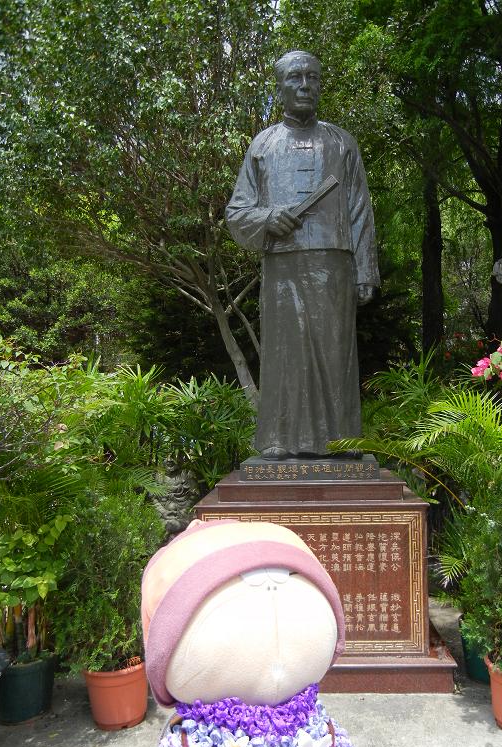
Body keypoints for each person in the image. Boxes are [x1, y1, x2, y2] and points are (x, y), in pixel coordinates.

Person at [226, 50, 379, 460]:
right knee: (285, 354)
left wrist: (365, 270)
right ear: (279, 89)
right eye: (295, 78)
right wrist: (267, 217)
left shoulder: (342, 142)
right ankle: (279, 439)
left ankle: (341, 440)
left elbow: (360, 208)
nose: (305, 86)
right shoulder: (263, 145)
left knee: (335, 353)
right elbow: (237, 212)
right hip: (283, 266)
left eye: (312, 77)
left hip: (333, 264)